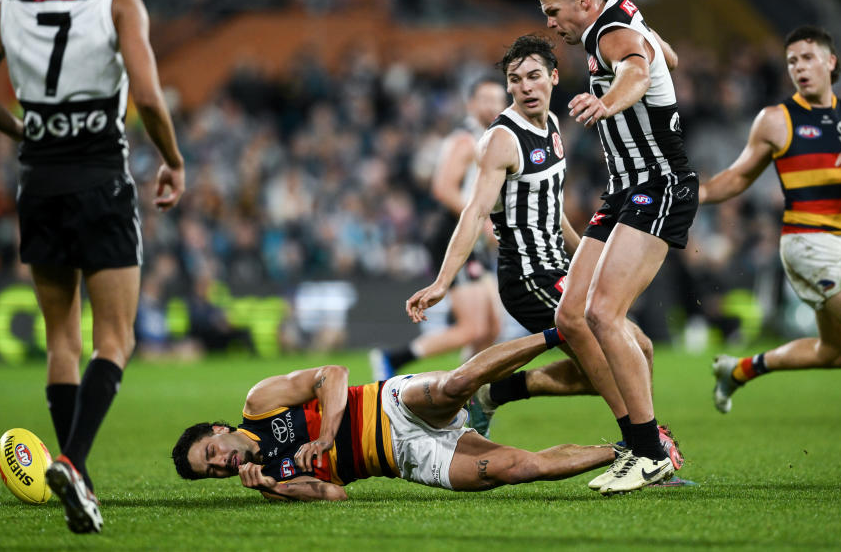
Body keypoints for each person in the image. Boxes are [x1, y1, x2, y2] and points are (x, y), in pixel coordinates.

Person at [404, 35, 687, 488]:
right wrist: (442, 282)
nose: (525, 87)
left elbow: (551, 209)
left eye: (534, 76)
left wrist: (586, 258)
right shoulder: (500, 139)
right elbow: (474, 212)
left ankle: (495, 393)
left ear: (554, 77)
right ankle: (643, 448)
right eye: (515, 80)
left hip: (560, 270)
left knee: (636, 353)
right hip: (528, 277)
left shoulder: (553, 123)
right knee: (617, 357)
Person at [0, 0, 186, 533]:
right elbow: (151, 96)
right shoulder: (117, 1)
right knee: (116, 338)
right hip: (100, 181)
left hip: (39, 182)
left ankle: (77, 473)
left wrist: (21, 128)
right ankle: (74, 461)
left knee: (62, 342)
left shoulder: (6, 3)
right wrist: (173, 160)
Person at [700, 25, 841, 468]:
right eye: (792, 61)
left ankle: (738, 369)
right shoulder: (775, 119)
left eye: (807, 58)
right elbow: (739, 176)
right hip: (807, 241)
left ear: (831, 62)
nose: (799, 67)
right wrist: (695, 194)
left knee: (836, 353)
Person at [533, 0, 698, 494]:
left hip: (660, 185)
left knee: (604, 313)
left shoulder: (611, 31)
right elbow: (663, 55)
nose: (550, 22)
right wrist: (647, 55)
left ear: (583, 0)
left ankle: (651, 452)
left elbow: (637, 68)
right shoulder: (626, 18)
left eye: (553, 10)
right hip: (625, 191)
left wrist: (608, 100)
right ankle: (640, 439)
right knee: (573, 315)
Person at [172, 330, 616, 499]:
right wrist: (274, 485)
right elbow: (334, 496)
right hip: (407, 458)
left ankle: (561, 329)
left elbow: (333, 373)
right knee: (518, 468)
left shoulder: (259, 403)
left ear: (219, 429)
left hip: (388, 402)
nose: (219, 464)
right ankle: (628, 450)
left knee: (454, 385)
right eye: (210, 470)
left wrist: (326, 435)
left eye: (210, 451)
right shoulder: (269, 485)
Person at [369, 76, 505, 379]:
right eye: (485, 99)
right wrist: (480, 220)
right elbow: (443, 188)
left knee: (492, 327)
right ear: (471, 104)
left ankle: (466, 387)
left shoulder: (490, 139)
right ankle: (394, 359)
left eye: (498, 99)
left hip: (470, 239)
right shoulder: (465, 140)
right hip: (451, 235)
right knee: (474, 327)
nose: (493, 105)